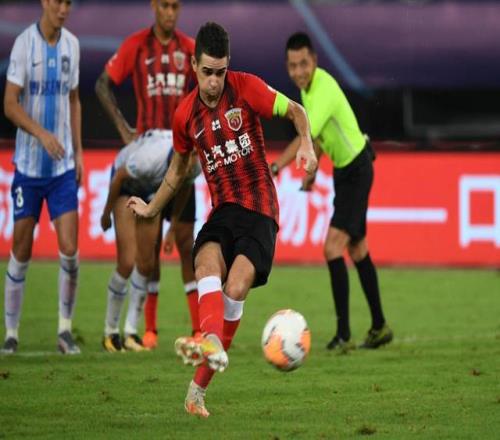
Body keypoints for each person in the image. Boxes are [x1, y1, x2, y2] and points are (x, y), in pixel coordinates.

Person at [128, 21, 317, 417]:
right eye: (207, 72)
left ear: (227, 66)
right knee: (204, 263)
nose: (214, 81)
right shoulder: (185, 115)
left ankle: (198, 388)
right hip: (224, 209)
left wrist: (307, 145)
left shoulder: (247, 89)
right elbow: (178, 170)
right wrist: (151, 208)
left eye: (220, 72)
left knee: (237, 283)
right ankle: (211, 341)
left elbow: (296, 111)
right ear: (194, 67)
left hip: (260, 209)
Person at [270, 32, 393, 351]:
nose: (299, 71)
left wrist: (277, 166)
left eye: (304, 64)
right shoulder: (306, 90)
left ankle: (343, 335)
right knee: (358, 249)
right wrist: (312, 174)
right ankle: (379, 326)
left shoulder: (322, 87)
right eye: (293, 66)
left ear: (314, 61)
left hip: (357, 169)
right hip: (346, 170)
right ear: (287, 67)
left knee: (332, 248)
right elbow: (321, 138)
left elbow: (306, 135)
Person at [95, 0, 199, 351]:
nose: (170, 12)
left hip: (172, 159)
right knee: (131, 261)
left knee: (152, 257)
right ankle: (114, 331)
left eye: (175, 6)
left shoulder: (190, 50)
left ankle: (132, 332)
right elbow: (102, 84)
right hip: (142, 161)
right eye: (164, 5)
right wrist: (123, 128)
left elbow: (185, 180)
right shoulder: (136, 46)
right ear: (154, 6)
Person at [1, 0, 83, 355]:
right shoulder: (24, 44)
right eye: (57, 1)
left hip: (62, 168)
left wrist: (79, 152)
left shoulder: (73, 45)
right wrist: (41, 134)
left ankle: (64, 330)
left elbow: (75, 100)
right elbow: (10, 103)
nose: (63, 9)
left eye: (68, 3)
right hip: (30, 168)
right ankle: (11, 332)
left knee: (70, 248)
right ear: (45, 2)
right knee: (21, 248)